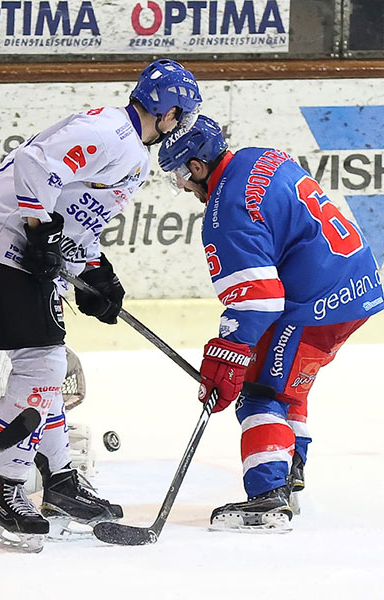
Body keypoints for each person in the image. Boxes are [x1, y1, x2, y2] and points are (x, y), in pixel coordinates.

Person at [0, 59, 203, 552]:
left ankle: (60, 480)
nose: (183, 122)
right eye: (183, 113)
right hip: (0, 248)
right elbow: (33, 165)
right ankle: (6, 490)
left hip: (17, 252)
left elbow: (76, 212)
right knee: (41, 365)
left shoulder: (128, 146)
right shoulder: (110, 132)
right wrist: (37, 229)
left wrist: (94, 271)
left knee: (45, 366)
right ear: (167, 109)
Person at [158, 115, 383, 531]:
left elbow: (259, 300)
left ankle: (267, 497)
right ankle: (291, 476)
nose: (185, 188)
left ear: (196, 167)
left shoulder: (225, 211)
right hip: (357, 284)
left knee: (259, 393)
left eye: (181, 177)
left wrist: (229, 354)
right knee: (288, 386)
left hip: (315, 303)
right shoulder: (257, 157)